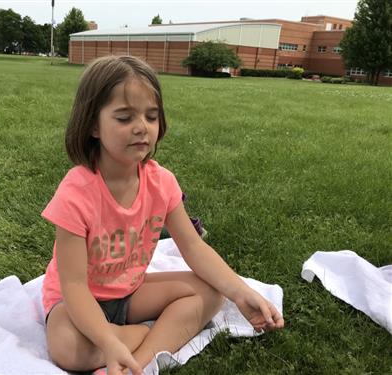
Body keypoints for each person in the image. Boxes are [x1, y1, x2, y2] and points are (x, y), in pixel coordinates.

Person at [42, 55, 284, 375]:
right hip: (75, 303)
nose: (142, 127)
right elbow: (73, 285)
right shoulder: (76, 192)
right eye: (125, 117)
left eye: (151, 116)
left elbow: (194, 248)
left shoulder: (162, 182)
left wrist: (240, 292)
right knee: (66, 347)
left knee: (210, 293)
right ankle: (137, 337)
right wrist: (108, 340)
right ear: (92, 125)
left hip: (129, 294)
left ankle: (139, 362)